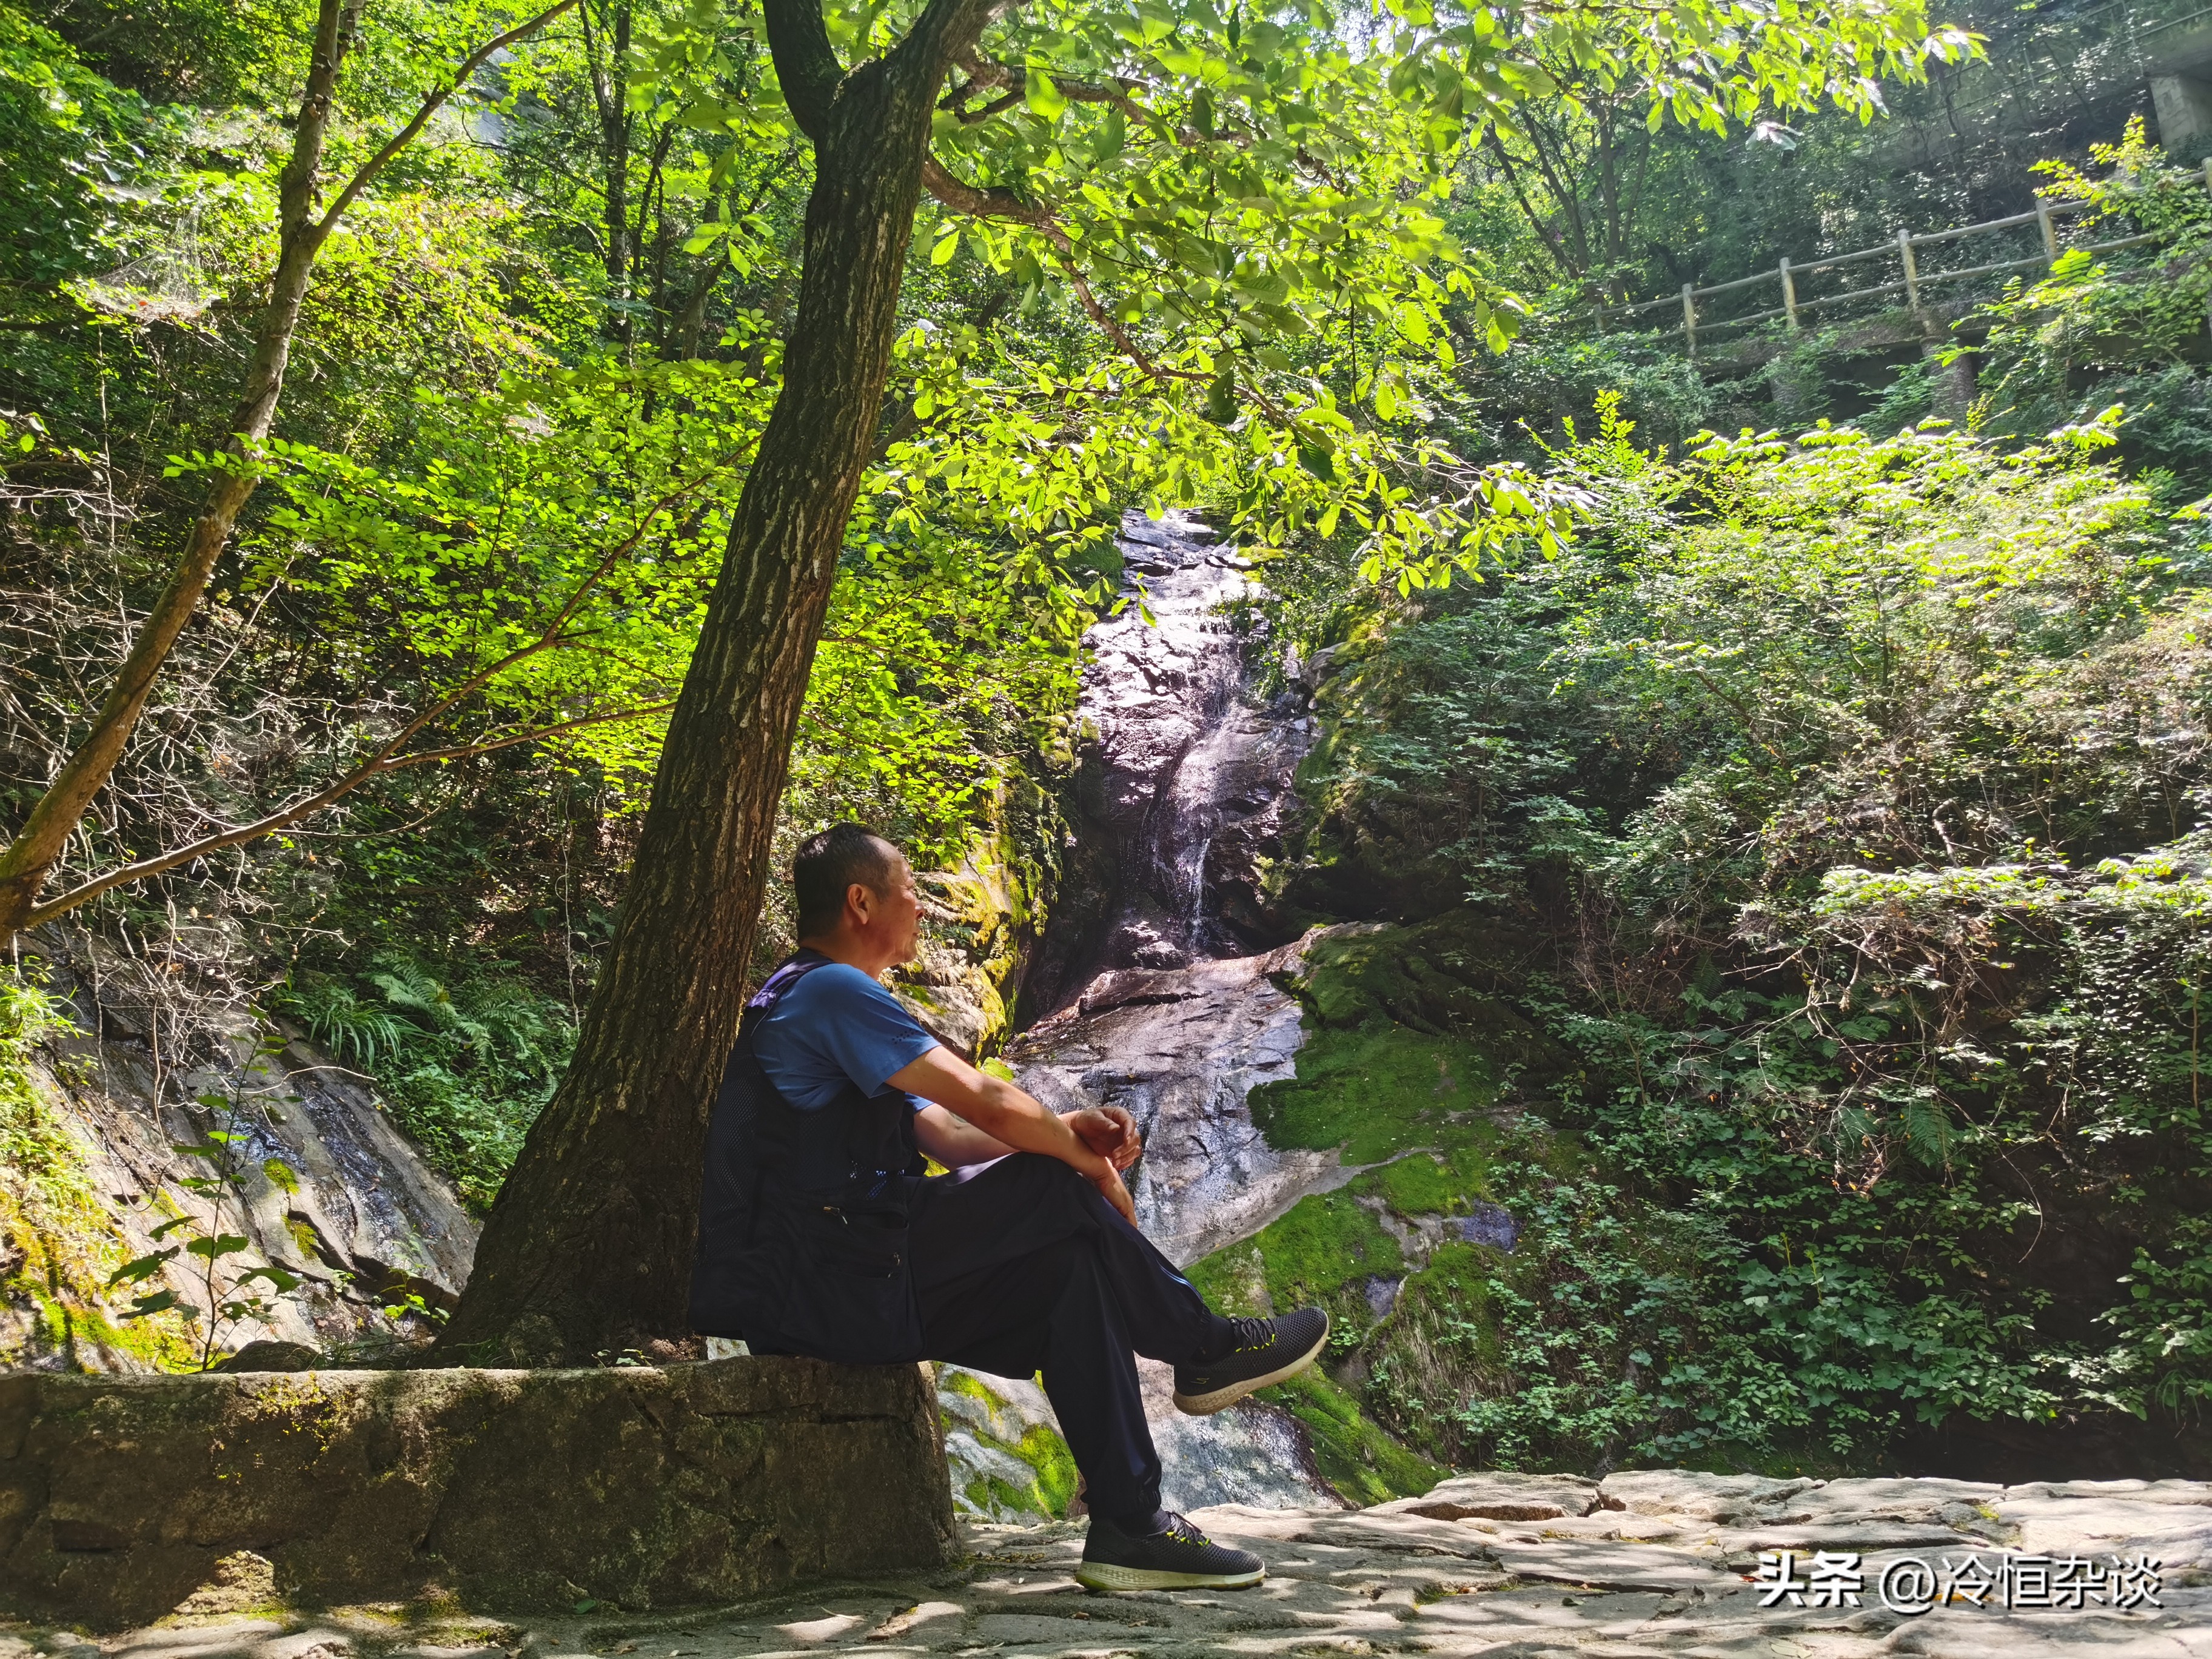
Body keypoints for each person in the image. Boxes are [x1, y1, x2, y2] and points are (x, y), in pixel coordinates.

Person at [691, 823, 1330, 1592]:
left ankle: (1131, 1526)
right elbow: (989, 1102)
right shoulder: (831, 991)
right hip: (826, 1283)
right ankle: (1203, 1345)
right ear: (861, 902)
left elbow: (956, 1138)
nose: (922, 909)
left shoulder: (817, 999)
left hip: (841, 1279)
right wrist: (1082, 1166)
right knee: (1052, 1185)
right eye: (910, 891)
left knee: (1068, 1275)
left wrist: (1067, 1135)